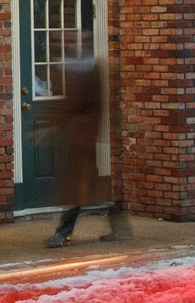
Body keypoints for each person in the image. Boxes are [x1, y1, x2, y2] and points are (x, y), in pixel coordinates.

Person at [46, 40, 132, 247]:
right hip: (77, 137)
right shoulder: (77, 69)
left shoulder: (88, 71)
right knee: (87, 187)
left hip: (81, 138)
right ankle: (120, 227)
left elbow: (80, 105)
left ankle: (63, 233)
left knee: (81, 187)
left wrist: (63, 127)